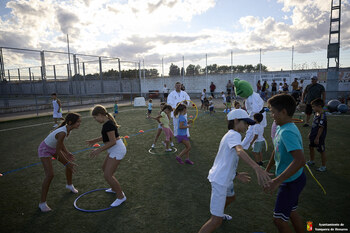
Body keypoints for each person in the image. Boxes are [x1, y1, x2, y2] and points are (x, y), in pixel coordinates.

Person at [198, 109, 272, 233]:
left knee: (231, 198)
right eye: (246, 123)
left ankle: (218, 213)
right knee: (216, 221)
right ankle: (216, 216)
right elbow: (239, 151)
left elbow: (225, 160)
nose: (247, 126)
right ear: (236, 121)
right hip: (220, 181)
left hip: (226, 178)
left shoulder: (231, 135)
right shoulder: (234, 135)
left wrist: (236, 174)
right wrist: (256, 167)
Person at [265, 94, 306, 233]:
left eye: (273, 112)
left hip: (291, 182)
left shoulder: (287, 131)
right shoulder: (280, 127)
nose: (271, 115)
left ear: (283, 112)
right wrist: (268, 169)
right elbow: (276, 150)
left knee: (279, 220)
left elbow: (300, 160)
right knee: (292, 212)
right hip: (291, 179)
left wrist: (277, 181)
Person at [38, 113, 81, 212]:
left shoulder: (67, 130)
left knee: (69, 162)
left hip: (53, 148)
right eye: (78, 122)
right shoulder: (62, 132)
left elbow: (60, 144)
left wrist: (67, 153)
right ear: (70, 122)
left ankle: (69, 185)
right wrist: (67, 162)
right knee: (50, 175)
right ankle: (42, 203)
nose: (79, 123)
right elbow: (58, 151)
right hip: (45, 149)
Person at [87, 105, 127, 207]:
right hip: (114, 148)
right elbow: (106, 137)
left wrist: (99, 150)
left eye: (95, 117)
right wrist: (94, 140)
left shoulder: (108, 124)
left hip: (117, 149)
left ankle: (121, 196)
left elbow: (113, 141)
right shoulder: (107, 123)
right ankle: (114, 189)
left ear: (100, 115)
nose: (95, 120)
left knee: (108, 175)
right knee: (104, 168)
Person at [306, 98, 327, 172]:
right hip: (313, 135)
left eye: (314, 106)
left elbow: (321, 128)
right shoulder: (316, 114)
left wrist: (317, 137)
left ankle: (323, 166)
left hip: (319, 136)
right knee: (310, 146)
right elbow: (314, 124)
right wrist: (311, 133)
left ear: (319, 106)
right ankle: (312, 161)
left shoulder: (322, 115)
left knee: (321, 150)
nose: (313, 108)